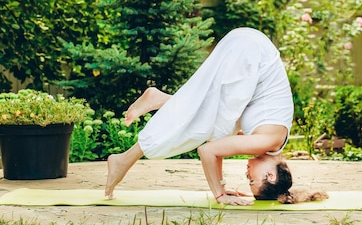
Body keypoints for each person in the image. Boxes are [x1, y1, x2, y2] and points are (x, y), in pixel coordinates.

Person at [104, 27, 318, 206]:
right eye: (251, 179)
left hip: (247, 44)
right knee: (206, 127)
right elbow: (207, 151)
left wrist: (222, 186)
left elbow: (217, 144)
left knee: (214, 125)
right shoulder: (264, 141)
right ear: (270, 176)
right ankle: (124, 159)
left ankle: (161, 102)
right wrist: (220, 195)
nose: (247, 172)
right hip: (250, 53)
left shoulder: (270, 138)